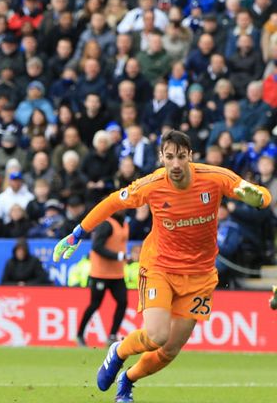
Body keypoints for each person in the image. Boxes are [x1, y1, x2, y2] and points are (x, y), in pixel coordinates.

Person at [53, 130, 272, 403]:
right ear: (161, 157)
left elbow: (259, 194)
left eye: (181, 156)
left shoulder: (215, 177)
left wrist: (260, 198)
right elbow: (111, 202)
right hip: (160, 267)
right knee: (157, 335)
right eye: (170, 157)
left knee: (169, 350)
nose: (176, 164)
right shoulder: (152, 184)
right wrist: (78, 233)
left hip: (200, 276)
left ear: (190, 156)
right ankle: (119, 352)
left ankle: (128, 380)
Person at [76, 210, 130, 348]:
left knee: (122, 302)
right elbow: (97, 247)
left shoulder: (124, 224)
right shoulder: (106, 224)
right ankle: (80, 334)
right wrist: (118, 256)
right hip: (100, 273)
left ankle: (112, 335)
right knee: (95, 304)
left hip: (117, 273)